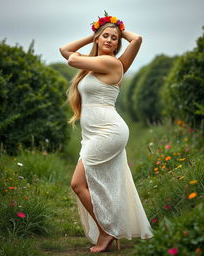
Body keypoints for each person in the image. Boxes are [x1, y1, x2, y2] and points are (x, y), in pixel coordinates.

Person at [59, 12, 153, 253]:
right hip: (93, 133)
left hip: (107, 131)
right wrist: (93, 34)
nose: (110, 40)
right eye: (105, 37)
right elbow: (64, 49)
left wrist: (117, 29)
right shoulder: (96, 66)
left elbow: (70, 59)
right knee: (97, 184)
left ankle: (107, 230)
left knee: (78, 184)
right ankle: (109, 229)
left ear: (119, 42)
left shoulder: (112, 63)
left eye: (115, 38)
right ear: (98, 39)